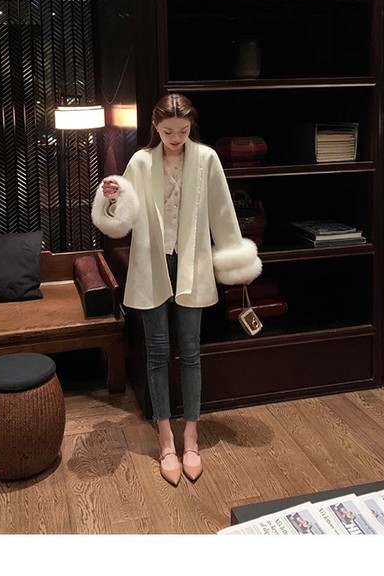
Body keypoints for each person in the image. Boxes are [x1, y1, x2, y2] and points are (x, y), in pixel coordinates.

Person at [91, 93, 262, 486]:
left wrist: (235, 257)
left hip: (191, 262)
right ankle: (166, 438)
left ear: (190, 127)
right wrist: (111, 197)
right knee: (156, 352)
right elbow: (121, 220)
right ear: (155, 126)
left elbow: (223, 211)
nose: (175, 137)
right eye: (168, 130)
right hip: (152, 262)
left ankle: (191, 438)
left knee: (190, 351)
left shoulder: (206, 159)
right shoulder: (140, 162)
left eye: (182, 130)